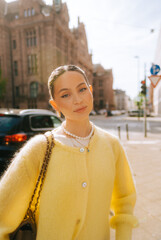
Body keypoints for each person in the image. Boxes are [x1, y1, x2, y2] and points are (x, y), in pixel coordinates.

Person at [0, 65, 138, 240]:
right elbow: (3, 214)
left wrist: (123, 235)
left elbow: (125, 200)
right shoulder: (39, 149)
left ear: (91, 91)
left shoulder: (112, 145)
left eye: (82, 89)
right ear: (55, 105)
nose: (78, 99)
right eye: (66, 94)